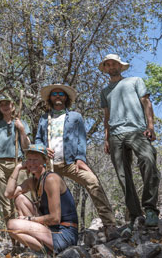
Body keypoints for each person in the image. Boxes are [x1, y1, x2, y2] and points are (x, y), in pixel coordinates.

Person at [35, 84, 117, 236]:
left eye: (61, 93)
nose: (58, 96)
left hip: (71, 163)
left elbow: (81, 139)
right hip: (49, 165)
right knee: (41, 194)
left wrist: (80, 158)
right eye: (54, 94)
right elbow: (38, 139)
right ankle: (43, 230)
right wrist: (42, 149)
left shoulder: (75, 117)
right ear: (50, 98)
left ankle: (109, 224)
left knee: (92, 181)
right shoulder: (44, 118)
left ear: (66, 97)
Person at [100, 54, 161, 228]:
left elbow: (146, 102)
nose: (111, 67)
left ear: (120, 66)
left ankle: (150, 208)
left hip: (136, 130)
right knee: (122, 175)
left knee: (148, 160)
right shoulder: (105, 92)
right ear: (105, 68)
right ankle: (135, 214)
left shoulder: (135, 81)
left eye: (114, 64)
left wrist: (150, 126)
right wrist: (106, 139)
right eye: (108, 64)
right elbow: (107, 116)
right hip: (115, 135)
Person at [5, 144, 78, 254]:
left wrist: (29, 219)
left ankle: (46, 251)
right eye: (29, 159)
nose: (32, 163)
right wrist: (17, 168)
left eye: (35, 160)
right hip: (49, 229)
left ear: (45, 161)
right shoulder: (32, 181)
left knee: (12, 225)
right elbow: (9, 194)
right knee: (19, 198)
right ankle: (44, 250)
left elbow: (55, 218)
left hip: (64, 233)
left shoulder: (51, 179)